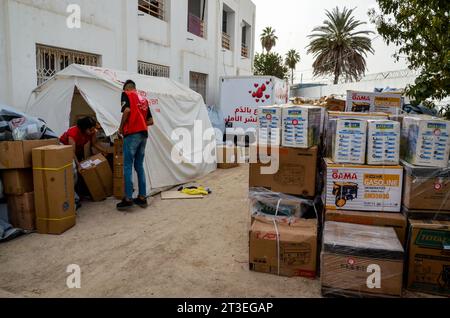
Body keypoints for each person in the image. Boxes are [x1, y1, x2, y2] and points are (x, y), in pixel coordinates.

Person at [117, 80, 153, 211]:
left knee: (127, 165)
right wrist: (140, 123)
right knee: (139, 165)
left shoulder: (126, 94)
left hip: (132, 134)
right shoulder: (143, 100)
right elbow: (150, 121)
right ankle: (142, 197)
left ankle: (128, 198)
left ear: (127, 88)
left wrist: (121, 128)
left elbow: (126, 111)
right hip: (143, 135)